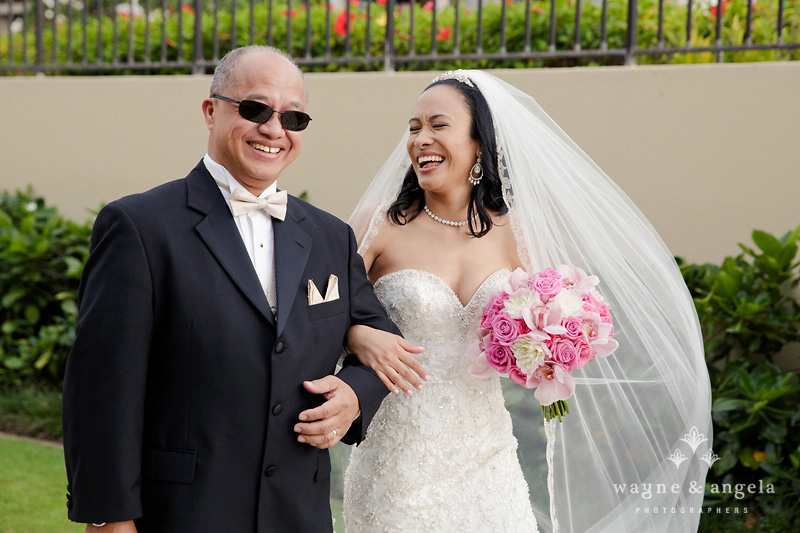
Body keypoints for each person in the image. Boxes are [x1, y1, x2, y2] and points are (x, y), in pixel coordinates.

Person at [342, 70, 712, 532]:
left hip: (488, 459)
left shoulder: (517, 234)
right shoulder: (378, 225)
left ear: (479, 144)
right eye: (414, 127)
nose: (420, 139)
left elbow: (551, 319)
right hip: (394, 461)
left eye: (438, 125)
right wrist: (357, 336)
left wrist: (549, 349)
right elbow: (323, 319)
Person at [62, 45, 409, 533]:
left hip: (298, 514)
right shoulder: (138, 227)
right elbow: (102, 391)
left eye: (293, 117)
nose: (274, 129)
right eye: (255, 109)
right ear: (210, 110)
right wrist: (110, 520)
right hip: (182, 514)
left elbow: (379, 334)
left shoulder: (331, 236)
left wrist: (353, 394)